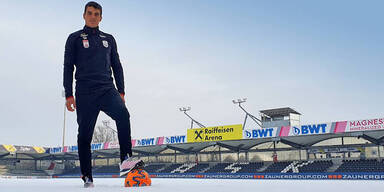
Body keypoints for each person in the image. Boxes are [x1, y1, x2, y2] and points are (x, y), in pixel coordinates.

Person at [63, 1, 143, 188]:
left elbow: (117, 65)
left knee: (123, 115)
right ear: (84, 15)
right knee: (84, 135)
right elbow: (68, 67)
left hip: (107, 89)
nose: (93, 16)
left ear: (101, 17)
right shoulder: (74, 38)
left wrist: (121, 90)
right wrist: (68, 94)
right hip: (84, 91)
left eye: (96, 14)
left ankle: (125, 160)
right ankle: (87, 176)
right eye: (89, 13)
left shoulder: (109, 39)